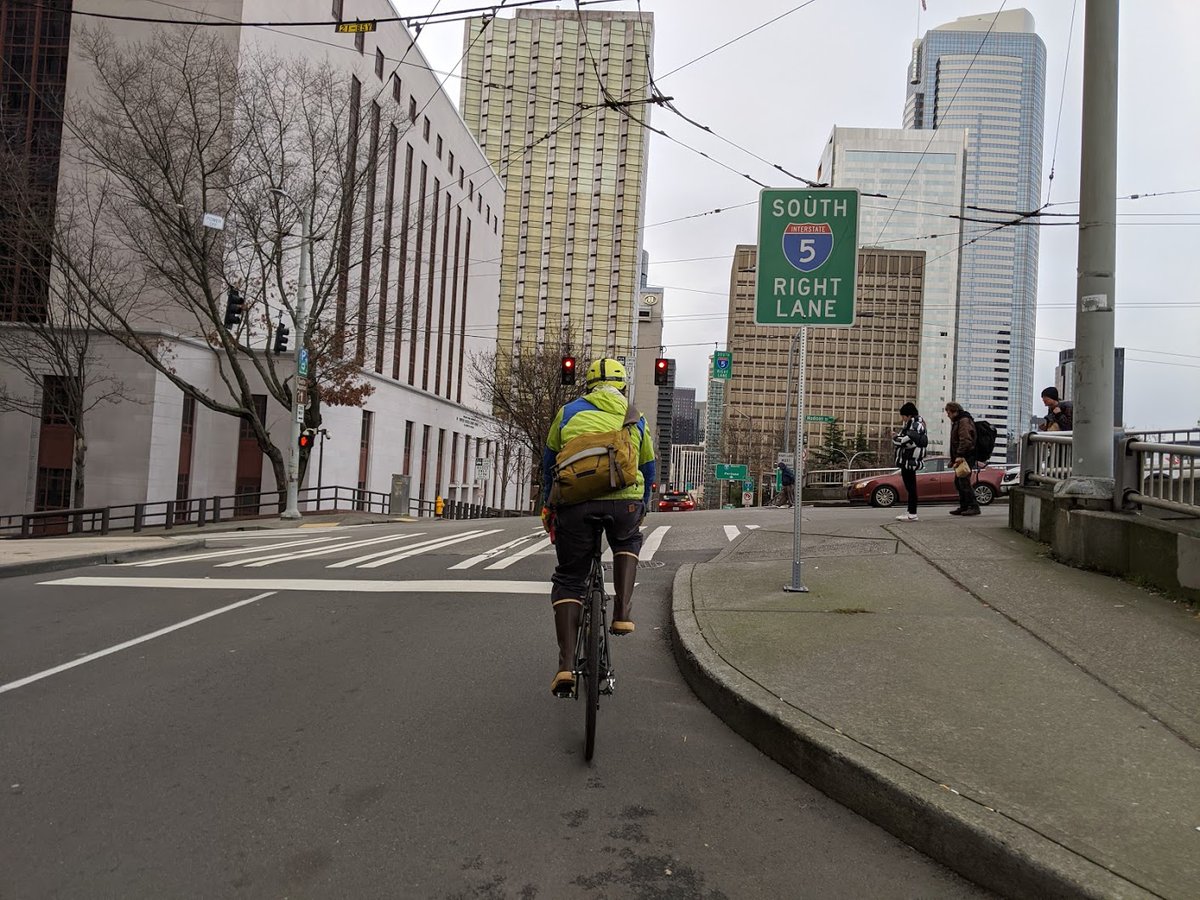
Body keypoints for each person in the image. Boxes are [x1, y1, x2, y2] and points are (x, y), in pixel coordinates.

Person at [541, 357, 656, 697]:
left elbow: (549, 463)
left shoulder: (567, 412)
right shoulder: (635, 416)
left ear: (588, 387)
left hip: (575, 502)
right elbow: (648, 466)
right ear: (623, 386)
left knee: (569, 578)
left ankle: (565, 665)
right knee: (628, 539)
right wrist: (642, 503)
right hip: (625, 503)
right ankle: (622, 612)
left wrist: (548, 505)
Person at [891, 401, 927, 521]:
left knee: (911, 487)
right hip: (909, 460)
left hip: (909, 460)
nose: (902, 419)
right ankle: (910, 511)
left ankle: (912, 513)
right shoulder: (917, 424)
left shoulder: (915, 425)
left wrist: (895, 437)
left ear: (908, 415)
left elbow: (907, 442)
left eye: (903, 416)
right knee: (910, 487)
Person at [945, 401, 980, 516]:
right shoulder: (959, 421)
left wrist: (959, 455)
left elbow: (965, 440)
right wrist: (953, 458)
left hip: (966, 456)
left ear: (955, 411)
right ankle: (964, 506)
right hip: (962, 456)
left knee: (964, 482)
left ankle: (973, 506)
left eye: (948, 412)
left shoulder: (963, 421)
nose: (948, 415)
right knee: (959, 482)